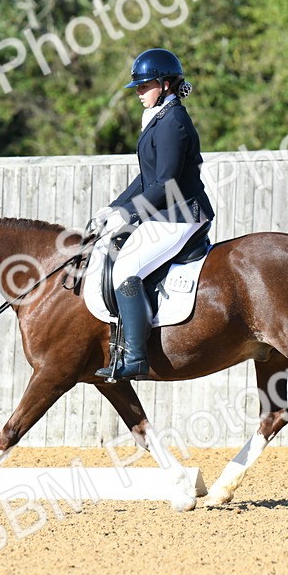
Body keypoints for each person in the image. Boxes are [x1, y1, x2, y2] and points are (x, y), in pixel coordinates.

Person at [89, 48, 215, 380]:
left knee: (126, 268)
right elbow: (146, 179)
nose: (139, 93)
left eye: (145, 87)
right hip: (165, 214)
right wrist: (115, 208)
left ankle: (135, 357)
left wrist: (130, 214)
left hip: (182, 214)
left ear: (166, 84)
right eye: (139, 88)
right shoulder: (159, 118)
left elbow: (167, 182)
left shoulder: (174, 121)